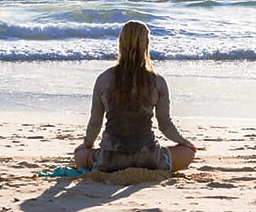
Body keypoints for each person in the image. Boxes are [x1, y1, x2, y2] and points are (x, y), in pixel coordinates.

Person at [73, 20, 198, 173]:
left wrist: (86, 144)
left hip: (110, 159)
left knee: (79, 155)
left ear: (121, 43)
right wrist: (184, 141)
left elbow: (95, 123)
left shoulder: (104, 79)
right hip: (148, 158)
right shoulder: (157, 81)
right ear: (146, 44)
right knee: (188, 152)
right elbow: (165, 125)